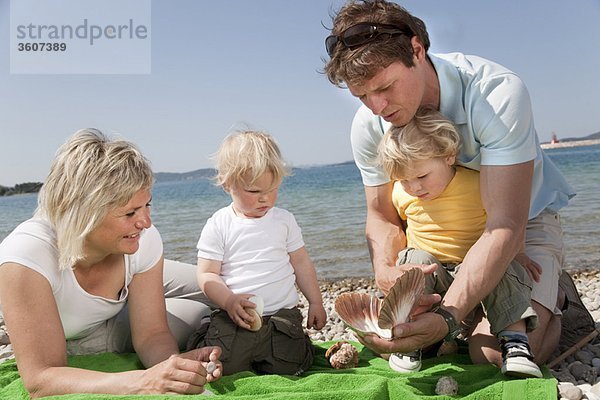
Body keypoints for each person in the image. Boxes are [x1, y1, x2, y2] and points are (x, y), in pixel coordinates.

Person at [323, 0, 575, 367]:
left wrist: (447, 317)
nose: (376, 107)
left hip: (519, 224)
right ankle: (475, 307)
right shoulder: (368, 124)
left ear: (417, 50)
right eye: (362, 96)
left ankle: (559, 298)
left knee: (489, 354)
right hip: (436, 234)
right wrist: (386, 271)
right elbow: (382, 216)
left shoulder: (495, 93)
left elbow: (504, 224)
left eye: (386, 87)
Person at [0, 129, 222, 397]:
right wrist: (144, 381)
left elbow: (152, 334)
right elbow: (40, 379)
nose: (146, 222)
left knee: (216, 289)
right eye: (130, 213)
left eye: (146, 206)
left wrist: (173, 369)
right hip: (76, 334)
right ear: (84, 214)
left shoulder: (143, 238)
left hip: (113, 304)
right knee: (195, 314)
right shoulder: (26, 255)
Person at [378, 108, 541, 378]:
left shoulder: (477, 183)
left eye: (421, 177)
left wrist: (519, 253)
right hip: (436, 280)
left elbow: (505, 224)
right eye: (404, 180)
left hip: (477, 277)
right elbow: (398, 231)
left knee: (500, 262)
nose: (414, 188)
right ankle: (412, 339)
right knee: (414, 261)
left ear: (449, 156)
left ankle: (515, 343)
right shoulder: (401, 194)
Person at [194, 130, 327, 376]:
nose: (265, 198)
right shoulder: (219, 224)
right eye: (254, 191)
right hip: (235, 317)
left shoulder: (284, 220)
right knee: (223, 367)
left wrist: (316, 302)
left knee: (293, 366)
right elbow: (207, 275)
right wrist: (228, 301)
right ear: (227, 184)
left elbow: (301, 263)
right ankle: (206, 334)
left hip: (281, 320)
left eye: (273, 188)